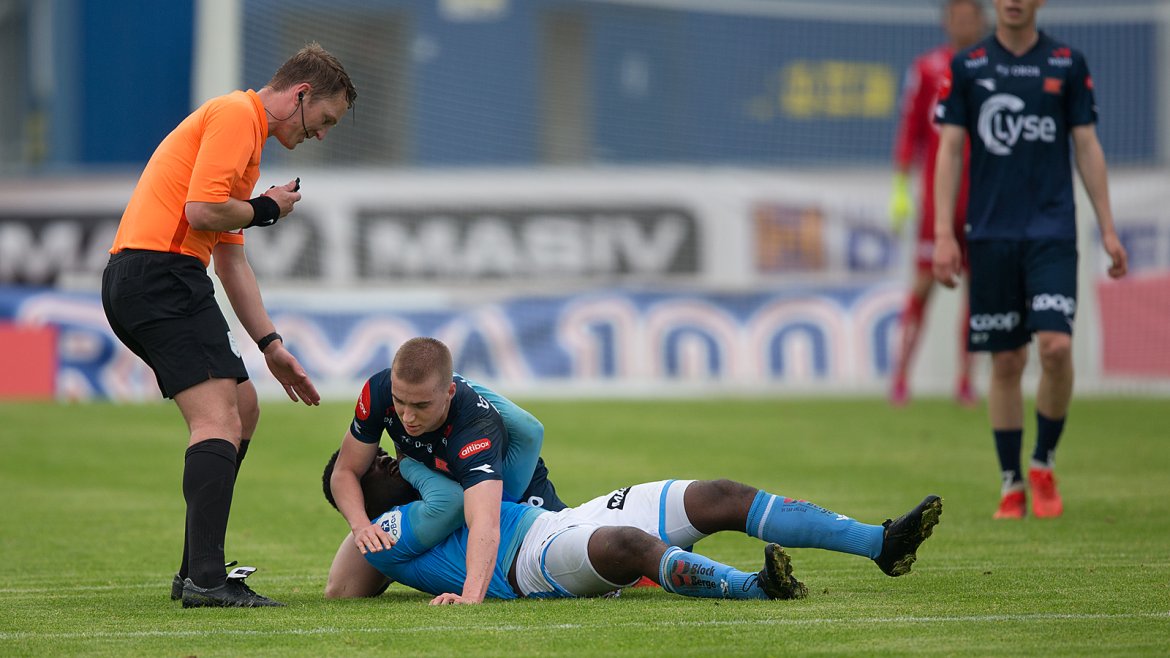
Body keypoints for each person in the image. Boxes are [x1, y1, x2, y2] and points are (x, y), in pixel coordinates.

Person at [101, 42, 357, 607]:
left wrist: (271, 345)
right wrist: (266, 208)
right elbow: (202, 212)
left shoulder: (245, 138)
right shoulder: (238, 115)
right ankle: (206, 581)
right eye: (324, 120)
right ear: (301, 94)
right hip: (159, 273)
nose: (322, 133)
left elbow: (231, 258)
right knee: (216, 418)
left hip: (156, 274)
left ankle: (197, 570)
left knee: (242, 409)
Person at [933, 0, 1128, 519]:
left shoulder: (1067, 62)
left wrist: (1107, 228)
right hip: (991, 234)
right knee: (1006, 361)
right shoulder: (968, 66)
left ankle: (1042, 463)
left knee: (1056, 347)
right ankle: (1010, 483)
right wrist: (942, 234)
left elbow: (1086, 145)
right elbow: (949, 149)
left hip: (1052, 232)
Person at [321, 450, 943, 603]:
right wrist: (409, 455)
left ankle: (878, 542)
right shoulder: (385, 532)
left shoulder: (404, 508)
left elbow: (527, 432)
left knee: (720, 494)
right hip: (530, 567)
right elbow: (451, 497)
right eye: (373, 465)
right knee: (631, 547)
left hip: (560, 521)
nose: (384, 456)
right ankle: (756, 588)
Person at [327, 336, 565, 603]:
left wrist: (470, 597)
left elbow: (485, 520)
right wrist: (360, 526)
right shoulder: (379, 391)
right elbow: (344, 470)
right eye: (400, 401)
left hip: (507, 485)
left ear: (449, 392)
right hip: (441, 481)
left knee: (567, 536)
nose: (407, 417)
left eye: (421, 405)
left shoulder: (474, 427)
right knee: (340, 590)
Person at [888, 0, 987, 407]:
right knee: (924, 284)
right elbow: (910, 130)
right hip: (938, 202)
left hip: (984, 200)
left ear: (983, 19)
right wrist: (899, 187)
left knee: (979, 294)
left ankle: (966, 380)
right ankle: (900, 377)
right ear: (946, 20)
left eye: (970, 15)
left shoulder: (995, 68)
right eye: (956, 15)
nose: (963, 22)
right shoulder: (927, 68)